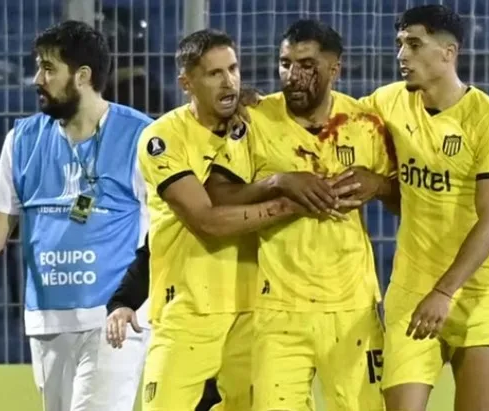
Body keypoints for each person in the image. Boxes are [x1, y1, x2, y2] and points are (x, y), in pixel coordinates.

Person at [136, 28, 341, 411]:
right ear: (186, 82)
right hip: (188, 310)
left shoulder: (254, 124)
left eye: (233, 69)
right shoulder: (162, 138)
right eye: (214, 74)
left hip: (255, 309)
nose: (229, 81)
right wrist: (288, 200)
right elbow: (208, 223)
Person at [205, 19, 397, 411]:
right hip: (278, 310)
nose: (293, 76)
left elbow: (410, 202)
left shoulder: (365, 124)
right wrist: (277, 182)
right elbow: (217, 196)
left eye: (306, 65)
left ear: (334, 69)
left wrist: (379, 184)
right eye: (285, 63)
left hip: (352, 308)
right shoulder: (255, 120)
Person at [0, 21, 153, 411]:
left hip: (115, 319)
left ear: (83, 76)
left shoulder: (141, 137)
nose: (37, 79)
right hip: (47, 319)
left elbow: (167, 230)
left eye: (48, 68)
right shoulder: (22, 139)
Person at [358, 5, 489, 411]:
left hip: (477, 292)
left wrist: (445, 291)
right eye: (399, 44)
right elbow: (335, 116)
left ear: (449, 53)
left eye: (414, 44)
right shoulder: (388, 102)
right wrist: (261, 106)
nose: (401, 55)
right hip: (412, 289)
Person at [105, 234, 222, 411]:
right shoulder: (174, 212)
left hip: (244, 327)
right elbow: (153, 250)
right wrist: (124, 301)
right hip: (184, 326)